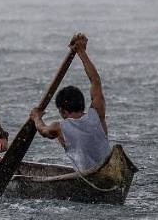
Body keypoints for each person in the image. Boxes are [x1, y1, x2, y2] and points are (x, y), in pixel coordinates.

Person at [30, 34, 111, 172]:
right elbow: (95, 81)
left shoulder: (58, 127)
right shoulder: (97, 113)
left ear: (62, 111)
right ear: (82, 104)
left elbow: (43, 130)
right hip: (108, 168)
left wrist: (37, 117)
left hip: (88, 176)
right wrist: (81, 52)